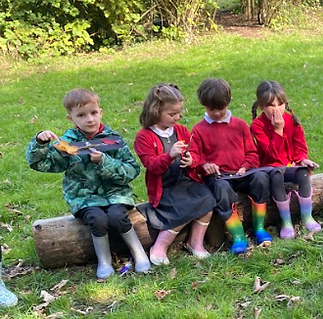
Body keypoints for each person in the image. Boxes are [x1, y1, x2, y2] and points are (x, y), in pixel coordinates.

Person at [25, 88, 149, 279]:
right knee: (97, 219)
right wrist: (40, 143)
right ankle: (104, 261)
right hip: (84, 197)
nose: (89, 119)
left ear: (101, 112)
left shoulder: (112, 140)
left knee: (117, 216)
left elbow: (132, 170)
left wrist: (104, 162)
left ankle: (139, 254)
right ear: (71, 118)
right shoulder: (68, 144)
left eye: (93, 113)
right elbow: (41, 163)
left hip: (116, 195)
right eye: (81, 115)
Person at [134, 83, 216, 265]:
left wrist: (191, 161)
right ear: (156, 111)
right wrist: (169, 156)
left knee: (207, 199)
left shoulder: (181, 131)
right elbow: (151, 165)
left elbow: (196, 154)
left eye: (179, 113)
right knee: (182, 209)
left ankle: (196, 242)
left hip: (185, 181)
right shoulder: (144, 136)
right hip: (164, 187)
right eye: (172, 114)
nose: (177, 117)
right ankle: (160, 246)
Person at [188, 78, 270, 254]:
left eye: (221, 108)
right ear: (204, 105)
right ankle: (238, 236)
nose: (217, 113)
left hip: (243, 173)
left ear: (228, 102)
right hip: (219, 177)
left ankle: (259, 228)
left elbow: (252, 153)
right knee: (222, 189)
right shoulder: (198, 130)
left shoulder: (240, 125)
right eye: (212, 109)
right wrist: (205, 165)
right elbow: (194, 158)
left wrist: (246, 166)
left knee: (261, 178)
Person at [250, 81, 321, 239]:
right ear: (261, 106)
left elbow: (300, 147)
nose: (277, 109)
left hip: (290, 166)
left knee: (303, 172)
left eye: (280, 104)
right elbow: (273, 155)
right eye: (271, 105)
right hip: (270, 169)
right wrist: (278, 130)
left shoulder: (292, 121)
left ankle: (307, 217)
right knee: (277, 174)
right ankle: (286, 222)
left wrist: (302, 159)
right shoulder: (257, 126)